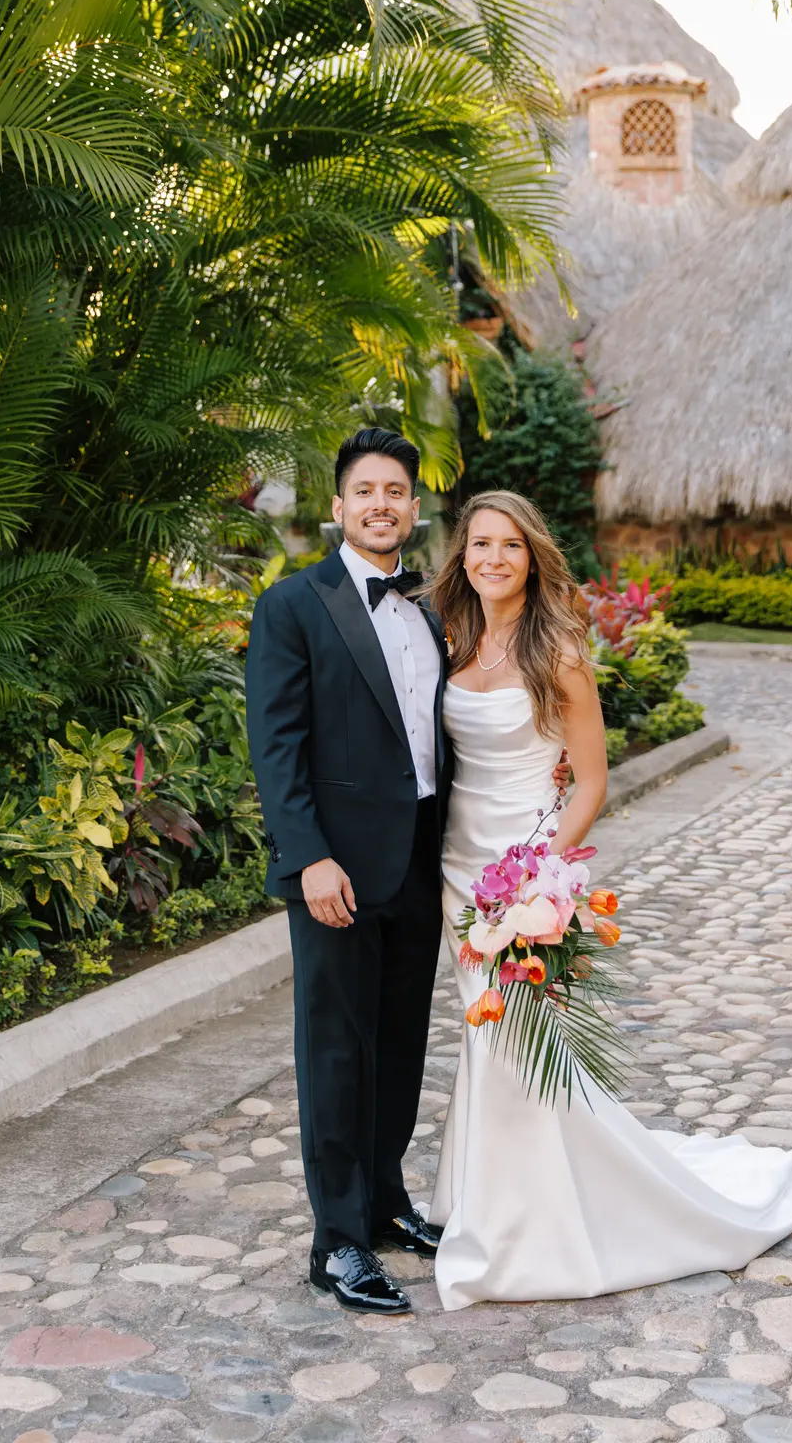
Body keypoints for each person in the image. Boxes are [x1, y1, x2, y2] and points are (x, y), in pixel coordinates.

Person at [427, 489, 792, 1309]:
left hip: (523, 877)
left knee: (514, 1042)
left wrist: (537, 876)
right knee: (485, 1037)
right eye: (480, 544)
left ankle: (532, 1229)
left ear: (533, 558)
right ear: (461, 555)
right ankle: (486, 1204)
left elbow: (591, 783)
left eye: (510, 546)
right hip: (455, 870)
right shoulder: (451, 638)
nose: (493, 558)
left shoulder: (556, 652)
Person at [245, 427, 450, 1315]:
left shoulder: (431, 607)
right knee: (336, 1049)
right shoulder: (293, 606)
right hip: (336, 870)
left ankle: (384, 1202)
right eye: (365, 490)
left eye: (395, 491)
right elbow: (276, 748)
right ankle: (335, 1243)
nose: (381, 504)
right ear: (338, 507)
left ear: (412, 505)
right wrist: (310, 858)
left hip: (417, 862)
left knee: (400, 1041)